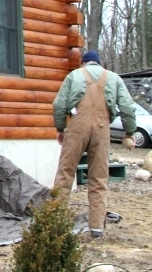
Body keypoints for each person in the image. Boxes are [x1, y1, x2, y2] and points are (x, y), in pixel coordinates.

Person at [52, 49, 137, 238]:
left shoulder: (74, 75)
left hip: (77, 127)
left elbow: (59, 104)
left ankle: (53, 222)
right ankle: (97, 227)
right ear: (99, 64)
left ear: (83, 63)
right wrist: (129, 132)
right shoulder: (114, 78)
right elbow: (128, 108)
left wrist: (60, 128)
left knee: (65, 173)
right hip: (101, 128)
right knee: (99, 178)